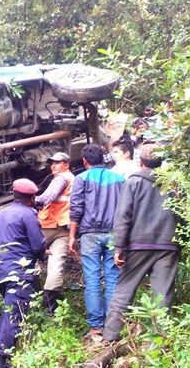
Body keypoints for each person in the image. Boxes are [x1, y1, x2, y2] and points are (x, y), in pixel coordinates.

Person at [103, 144, 179, 341]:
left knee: (124, 290)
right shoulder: (173, 184)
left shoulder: (134, 181)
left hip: (138, 244)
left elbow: (123, 216)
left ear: (140, 161)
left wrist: (119, 247)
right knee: (162, 294)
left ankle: (110, 336)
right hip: (168, 245)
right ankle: (160, 340)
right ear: (161, 162)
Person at [69, 144, 125, 337]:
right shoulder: (119, 179)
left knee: (92, 279)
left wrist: (71, 237)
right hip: (114, 234)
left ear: (85, 161)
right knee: (112, 279)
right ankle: (112, 327)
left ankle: (95, 327)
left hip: (89, 235)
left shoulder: (81, 179)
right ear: (104, 159)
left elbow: (76, 209)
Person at [0, 178, 46, 368]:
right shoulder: (28, 215)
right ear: (32, 197)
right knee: (13, 315)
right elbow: (38, 244)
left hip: (0, 270)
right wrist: (42, 257)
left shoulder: (2, 214)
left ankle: (1, 347)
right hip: (18, 271)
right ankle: (2, 363)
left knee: (9, 311)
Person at [35, 152, 75, 315]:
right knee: (56, 265)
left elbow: (48, 196)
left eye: (57, 163)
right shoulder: (73, 178)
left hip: (49, 226)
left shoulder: (62, 178)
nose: (53, 166)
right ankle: (51, 308)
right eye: (52, 163)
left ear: (66, 164)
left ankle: (32, 298)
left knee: (30, 256)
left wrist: (31, 200)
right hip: (64, 227)